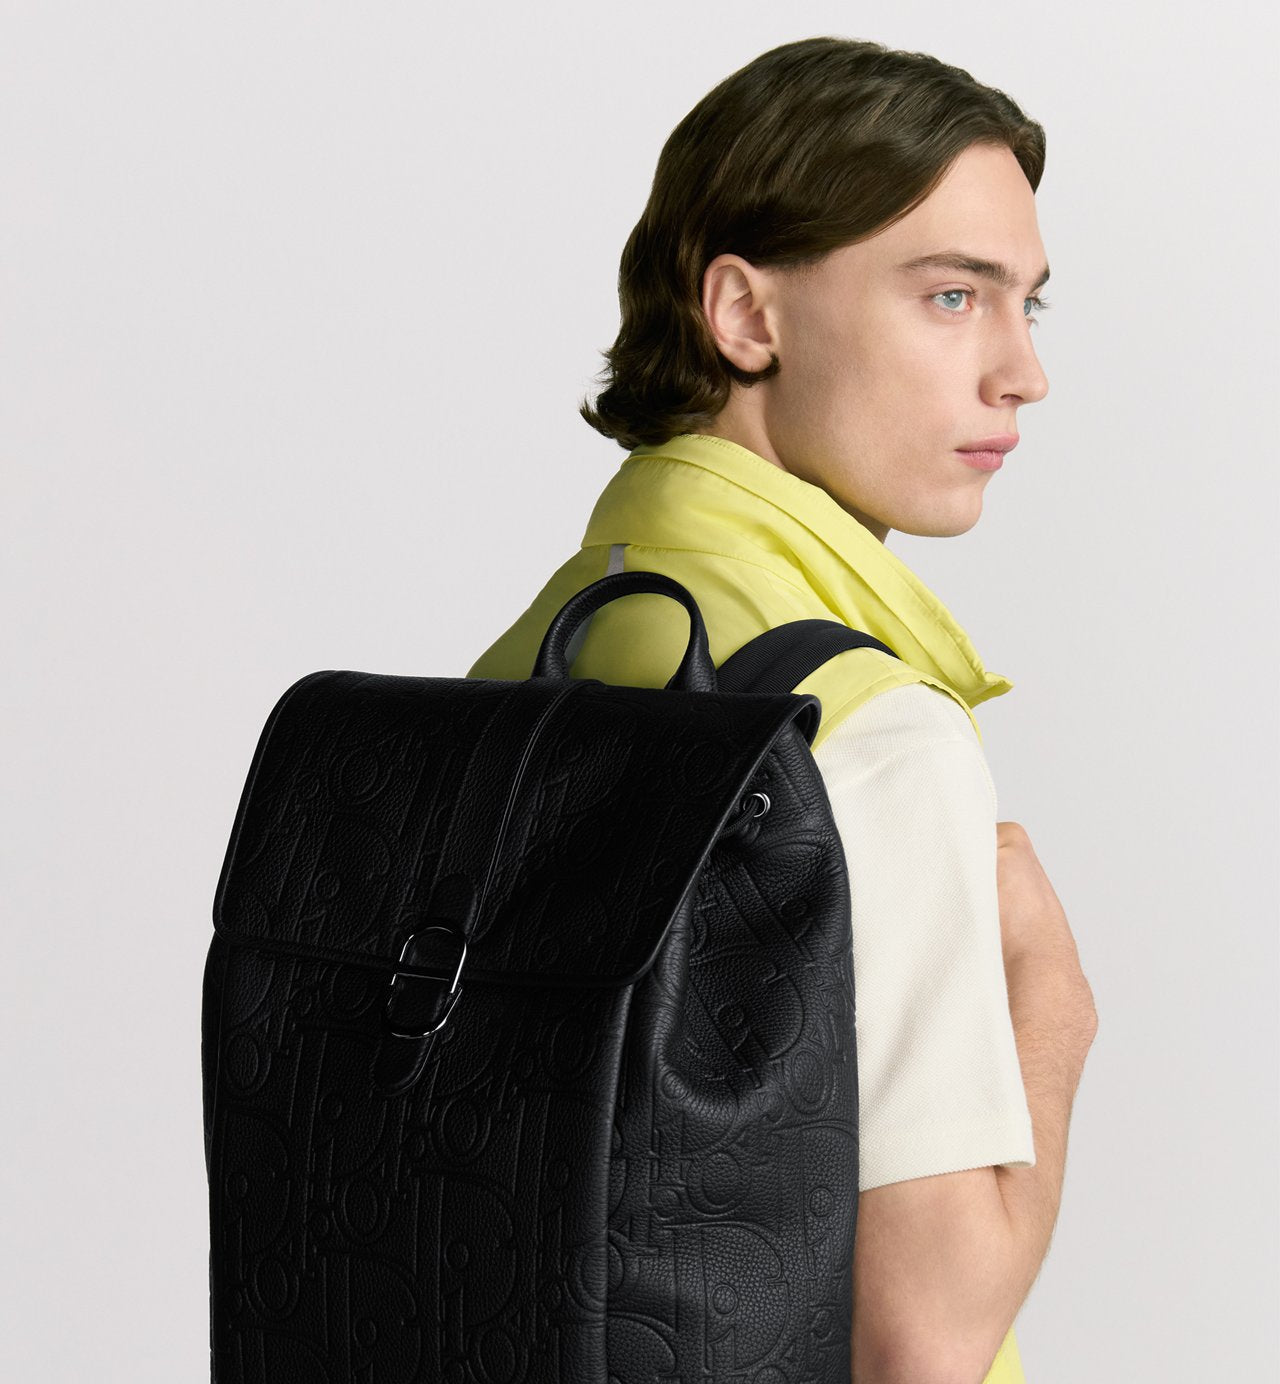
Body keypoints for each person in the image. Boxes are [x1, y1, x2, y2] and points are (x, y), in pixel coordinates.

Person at [466, 35, 1098, 1383]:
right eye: (951, 297)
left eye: (1028, 306)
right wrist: (1054, 1009)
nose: (1020, 373)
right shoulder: (867, 734)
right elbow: (925, 1343)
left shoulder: (524, 662)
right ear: (746, 316)